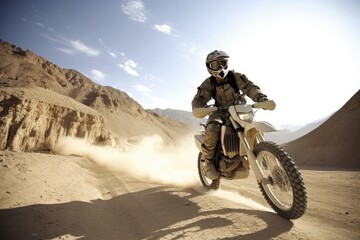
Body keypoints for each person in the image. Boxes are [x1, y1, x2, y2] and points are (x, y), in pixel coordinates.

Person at [192, 50, 269, 180]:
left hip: (240, 110)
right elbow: (199, 99)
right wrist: (199, 108)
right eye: (216, 64)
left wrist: (261, 98)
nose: (221, 67)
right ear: (210, 67)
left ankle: (270, 158)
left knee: (253, 127)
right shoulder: (209, 83)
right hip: (220, 113)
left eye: (223, 62)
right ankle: (209, 161)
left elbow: (250, 87)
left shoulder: (236, 77)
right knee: (212, 127)